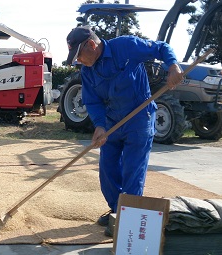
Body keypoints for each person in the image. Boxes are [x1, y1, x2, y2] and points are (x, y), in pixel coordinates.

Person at [65, 26, 184, 233]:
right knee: (107, 169)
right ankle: (116, 210)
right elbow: (93, 102)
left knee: (132, 170)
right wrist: (100, 126)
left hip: (139, 118)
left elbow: (161, 48)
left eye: (79, 56)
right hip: (111, 122)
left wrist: (173, 66)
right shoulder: (88, 71)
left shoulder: (126, 46)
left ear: (91, 45)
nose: (78, 61)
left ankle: (128, 219)